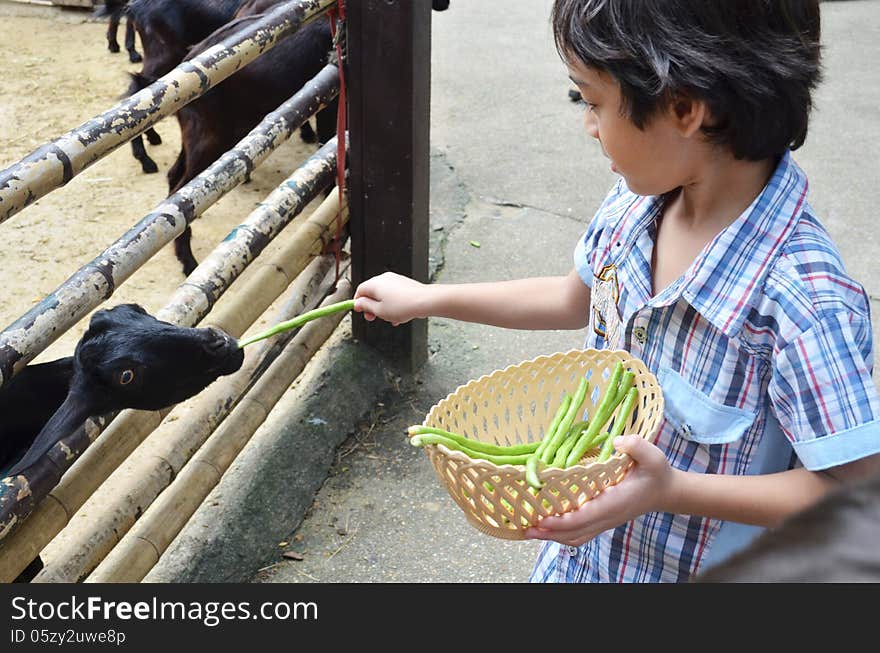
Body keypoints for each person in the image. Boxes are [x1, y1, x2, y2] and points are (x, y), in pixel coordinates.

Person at [352, 0, 880, 582]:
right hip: (583, 564)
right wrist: (429, 298)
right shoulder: (634, 205)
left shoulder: (804, 301)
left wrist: (669, 490)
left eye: (592, 101)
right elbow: (570, 298)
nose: (588, 124)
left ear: (685, 109)